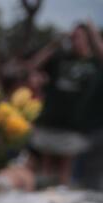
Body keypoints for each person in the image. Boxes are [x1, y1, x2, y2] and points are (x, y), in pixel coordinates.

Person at [29, 23, 103, 186]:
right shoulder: (61, 57)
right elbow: (33, 65)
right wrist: (54, 43)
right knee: (44, 172)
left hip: (74, 125)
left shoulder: (93, 63)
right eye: (73, 37)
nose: (75, 41)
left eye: (79, 37)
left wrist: (94, 33)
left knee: (64, 175)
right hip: (49, 120)